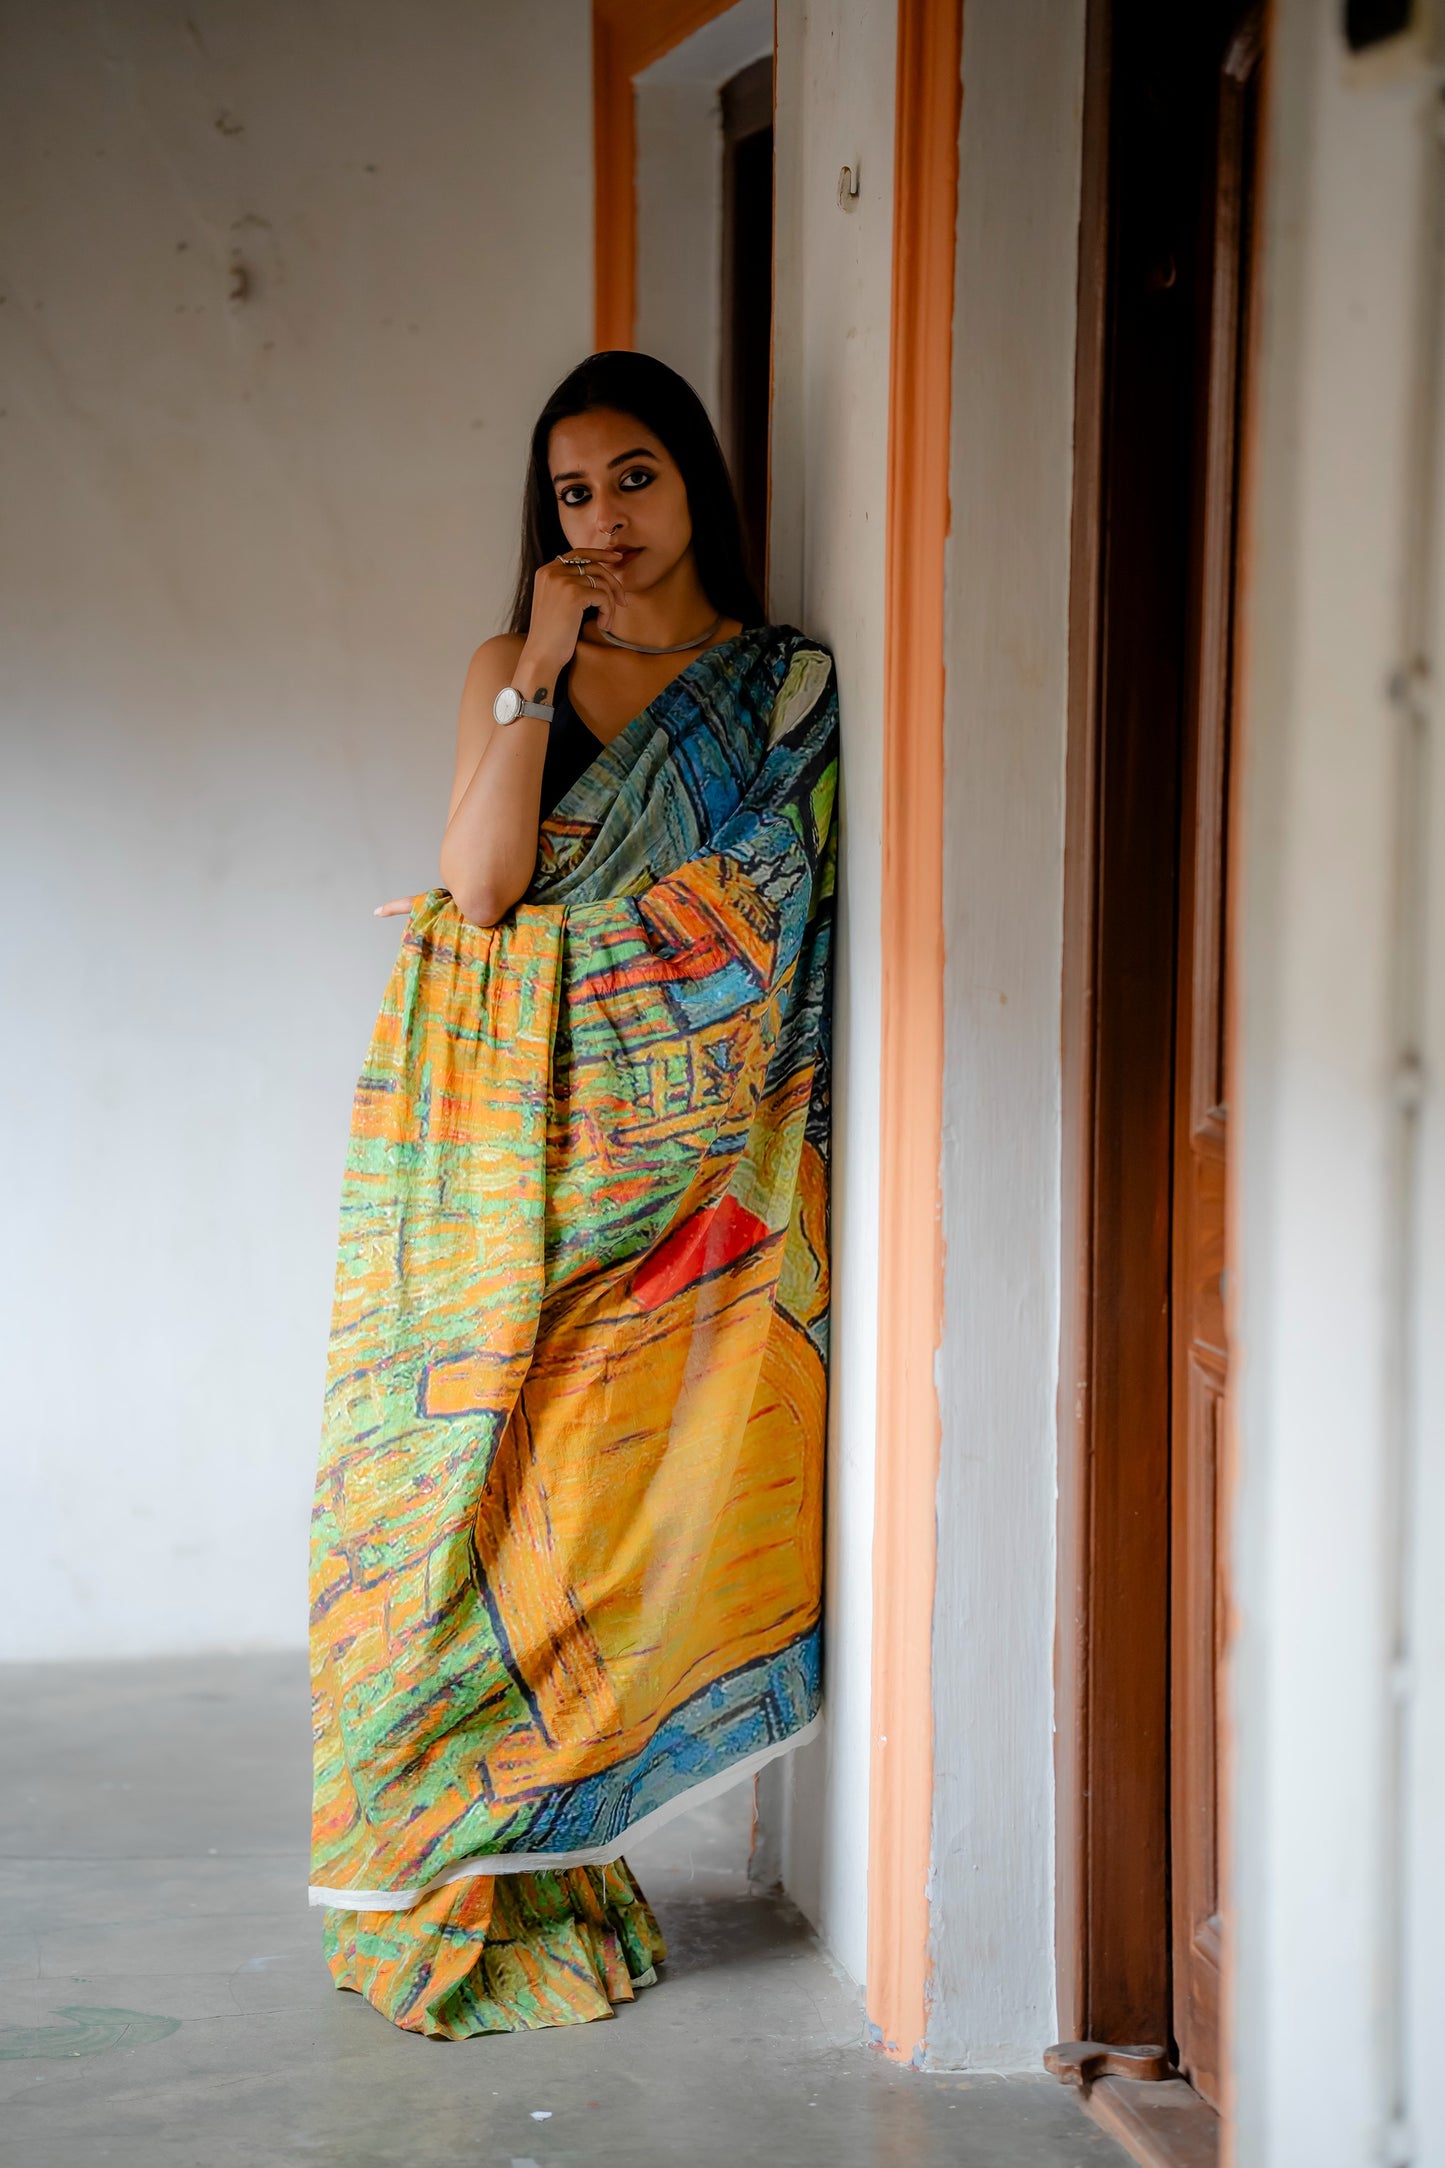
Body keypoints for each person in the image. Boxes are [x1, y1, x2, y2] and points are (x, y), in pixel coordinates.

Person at [309, 352, 838, 2038]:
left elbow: (773, 926)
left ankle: (548, 1839)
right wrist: (537, 670)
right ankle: (439, 1852)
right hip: (501, 1154)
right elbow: (481, 891)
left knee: (590, 1514)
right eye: (570, 494)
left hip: (677, 1174)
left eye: (632, 478)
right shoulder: (507, 662)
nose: (602, 519)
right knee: (457, 1486)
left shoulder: (778, 691)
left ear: (696, 485)